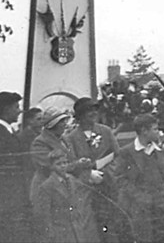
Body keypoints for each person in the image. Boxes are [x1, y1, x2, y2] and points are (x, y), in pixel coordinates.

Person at [65, 97, 123, 243]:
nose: (93, 113)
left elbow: (118, 156)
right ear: (79, 115)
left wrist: (106, 174)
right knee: (90, 228)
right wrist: (88, 175)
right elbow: (69, 165)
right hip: (86, 191)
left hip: (109, 187)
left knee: (112, 225)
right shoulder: (70, 138)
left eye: (95, 110)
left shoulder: (106, 131)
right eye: (88, 111)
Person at [114, 113, 164, 243]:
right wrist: (139, 197)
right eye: (155, 129)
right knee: (144, 238)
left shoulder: (158, 150)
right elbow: (120, 179)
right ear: (144, 131)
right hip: (139, 209)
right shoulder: (127, 152)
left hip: (160, 206)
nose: (159, 132)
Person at [33, 149, 100, 243]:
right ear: (52, 166)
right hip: (60, 232)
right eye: (59, 164)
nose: (63, 166)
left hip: (77, 229)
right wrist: (51, 235)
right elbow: (45, 215)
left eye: (65, 163)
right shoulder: (47, 186)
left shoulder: (71, 180)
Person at [30, 107, 93, 203]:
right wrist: (78, 164)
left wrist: (81, 162)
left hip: (64, 187)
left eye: (65, 120)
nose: (65, 124)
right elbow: (50, 166)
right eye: (61, 121)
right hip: (48, 188)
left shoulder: (64, 139)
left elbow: (70, 159)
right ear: (52, 125)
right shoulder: (40, 142)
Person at [0, 91, 33, 242]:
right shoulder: (2, 133)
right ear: (5, 109)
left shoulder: (8, 131)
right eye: (16, 107)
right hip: (8, 193)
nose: (20, 111)